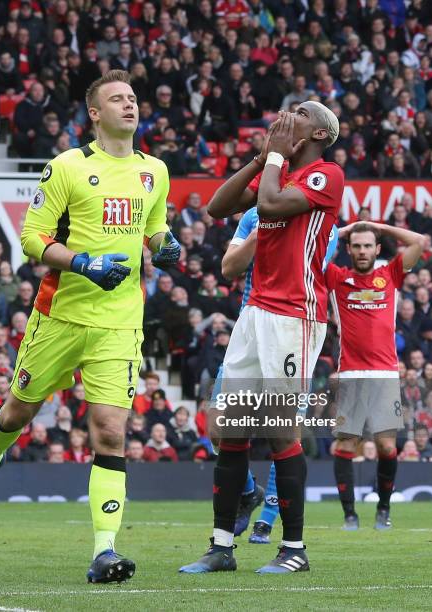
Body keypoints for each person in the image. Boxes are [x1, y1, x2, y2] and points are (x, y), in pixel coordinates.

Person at [0, 70, 181, 585]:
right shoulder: (67, 168)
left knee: (111, 431)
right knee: (16, 412)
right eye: (116, 99)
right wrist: (84, 264)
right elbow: (33, 238)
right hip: (60, 315)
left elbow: (155, 228)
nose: (129, 105)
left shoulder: (155, 171)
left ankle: (104, 551)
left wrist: (165, 246)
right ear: (94, 113)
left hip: (120, 322)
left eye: (133, 98)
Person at [181, 102, 343, 575]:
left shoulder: (324, 174)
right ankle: (221, 546)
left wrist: (274, 160)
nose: (286, 114)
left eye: (299, 111)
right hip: (255, 314)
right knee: (229, 430)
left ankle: (294, 550)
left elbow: (270, 205)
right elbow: (216, 208)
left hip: (295, 315)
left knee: (278, 432)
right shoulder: (277, 172)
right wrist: (260, 158)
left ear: (317, 132)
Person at [327, 221, 424, 530]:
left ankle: (383, 509)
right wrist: (342, 231)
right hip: (352, 374)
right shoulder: (337, 278)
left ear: (377, 249)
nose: (362, 250)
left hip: (384, 376)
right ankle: (349, 515)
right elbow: (311, 253)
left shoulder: (390, 275)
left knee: (386, 447)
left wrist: (373, 226)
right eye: (356, 245)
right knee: (345, 446)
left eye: (368, 245)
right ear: (349, 249)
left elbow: (419, 242)